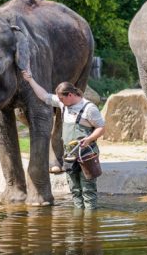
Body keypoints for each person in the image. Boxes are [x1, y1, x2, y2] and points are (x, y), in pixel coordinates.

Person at [21, 70, 105, 209]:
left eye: (62, 99)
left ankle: (90, 226)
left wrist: (89, 139)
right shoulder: (63, 104)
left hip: (86, 154)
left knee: (88, 191)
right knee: (75, 191)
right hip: (69, 155)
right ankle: (78, 225)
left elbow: (101, 128)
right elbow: (44, 96)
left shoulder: (89, 108)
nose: (60, 102)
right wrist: (30, 80)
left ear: (70, 95)